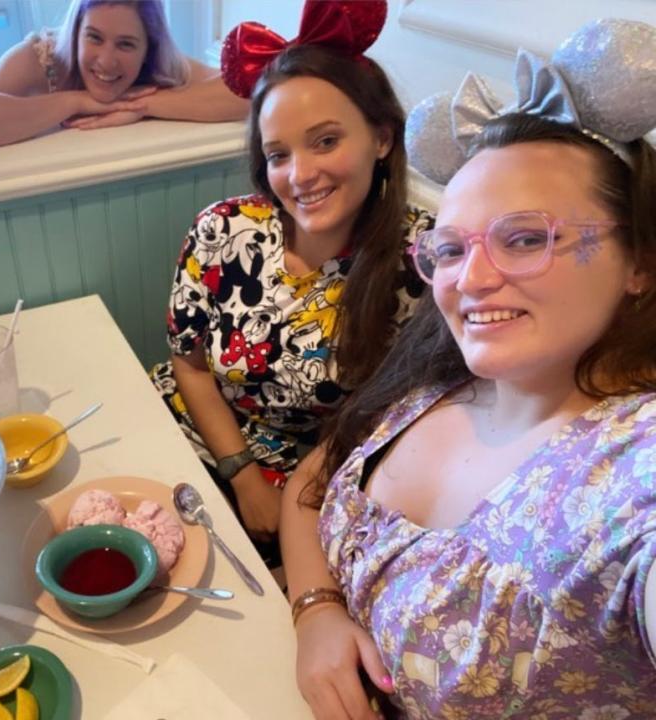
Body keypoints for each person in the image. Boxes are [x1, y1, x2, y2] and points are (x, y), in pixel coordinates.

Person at [281, 18, 656, 719]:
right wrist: (315, 612)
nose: (471, 279)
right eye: (450, 250)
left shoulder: (631, 471)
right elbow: (313, 476)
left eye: (523, 239)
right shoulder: (440, 373)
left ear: (639, 262)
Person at [150, 1, 432, 563]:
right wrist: (242, 476)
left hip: (310, 485)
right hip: (192, 435)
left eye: (325, 141)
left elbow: (391, 426)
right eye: (279, 153)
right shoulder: (222, 229)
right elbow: (189, 364)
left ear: (381, 138)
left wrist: (274, 496)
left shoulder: (423, 266)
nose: (299, 175)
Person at [0, 0, 247, 150]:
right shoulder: (41, 56)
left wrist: (141, 106)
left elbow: (247, 94)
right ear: (76, 31)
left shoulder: (157, 65)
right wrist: (76, 102)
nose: (106, 61)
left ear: (148, 48)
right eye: (94, 38)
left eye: (126, 44)